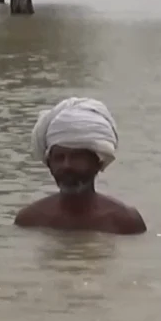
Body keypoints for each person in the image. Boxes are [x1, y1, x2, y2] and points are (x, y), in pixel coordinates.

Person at [14, 97, 147, 236]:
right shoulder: (29, 220)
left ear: (98, 162)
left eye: (77, 157)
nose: (66, 166)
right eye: (59, 158)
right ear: (49, 163)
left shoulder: (126, 221)